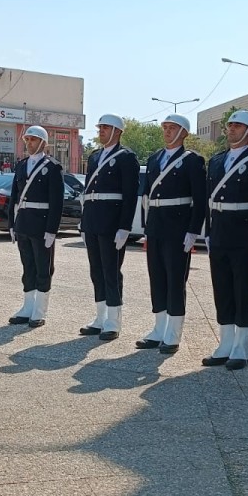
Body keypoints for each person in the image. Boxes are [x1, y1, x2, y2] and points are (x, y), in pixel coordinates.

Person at [202, 110, 248, 370]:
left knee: (243, 292)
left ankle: (241, 349)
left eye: (237, 125)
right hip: (220, 233)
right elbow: (210, 201)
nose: (231, 129)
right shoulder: (217, 160)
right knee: (222, 290)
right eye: (230, 125)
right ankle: (225, 344)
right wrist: (208, 232)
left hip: (245, 235)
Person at [135, 113, 206, 355]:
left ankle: (173, 334)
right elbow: (146, 197)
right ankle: (158, 329)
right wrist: (146, 227)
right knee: (157, 278)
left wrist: (193, 231)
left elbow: (200, 199)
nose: (166, 131)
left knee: (176, 280)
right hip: (156, 227)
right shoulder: (155, 158)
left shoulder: (192, 160)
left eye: (172, 127)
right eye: (165, 127)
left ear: (184, 133)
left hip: (178, 228)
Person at [78, 113, 140, 340]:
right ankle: (100, 317)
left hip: (112, 223)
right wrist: (84, 223)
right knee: (96, 271)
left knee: (111, 271)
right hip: (93, 220)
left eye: (105, 127)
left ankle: (113, 321)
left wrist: (124, 226)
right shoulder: (94, 157)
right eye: (100, 127)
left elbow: (130, 195)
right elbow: (88, 193)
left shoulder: (126, 157)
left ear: (117, 131)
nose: (101, 131)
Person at [7, 126, 63, 328]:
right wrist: (12, 224)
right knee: (27, 267)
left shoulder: (52, 167)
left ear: (43, 143)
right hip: (24, 222)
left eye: (33, 140)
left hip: (41, 224)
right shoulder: (21, 166)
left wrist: (52, 230)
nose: (29, 143)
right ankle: (27, 307)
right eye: (27, 139)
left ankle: (39, 311)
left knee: (43, 268)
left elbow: (56, 202)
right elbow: (14, 197)